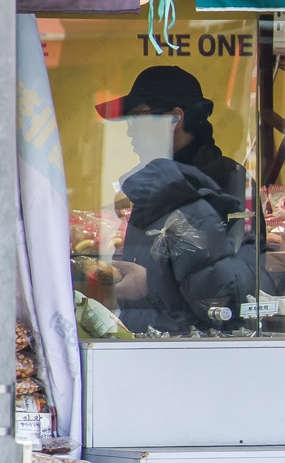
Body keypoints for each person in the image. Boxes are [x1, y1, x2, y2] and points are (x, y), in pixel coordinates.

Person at [96, 66, 255, 335]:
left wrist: (149, 284)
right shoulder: (161, 182)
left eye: (137, 118)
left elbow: (228, 294)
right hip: (152, 341)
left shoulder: (221, 185)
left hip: (191, 350)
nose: (129, 132)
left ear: (175, 119)